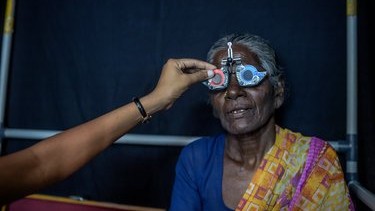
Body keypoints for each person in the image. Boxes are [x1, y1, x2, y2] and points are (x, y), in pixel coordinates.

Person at [169, 34, 354, 210]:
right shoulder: (197, 159)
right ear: (213, 102)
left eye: (248, 77)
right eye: (220, 81)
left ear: (278, 92)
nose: (233, 91)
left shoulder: (314, 163)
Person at [0, 58, 216, 205]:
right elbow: (40, 164)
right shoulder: (196, 158)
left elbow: (41, 163)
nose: (234, 92)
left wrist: (154, 101)